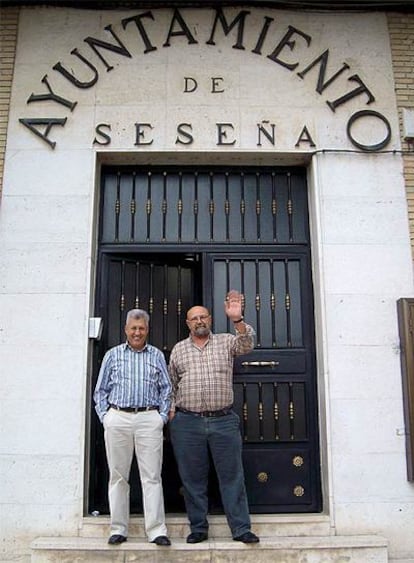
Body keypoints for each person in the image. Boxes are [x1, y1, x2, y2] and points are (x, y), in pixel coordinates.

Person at [168, 290, 259, 545]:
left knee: (232, 476)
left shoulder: (226, 341)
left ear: (210, 320)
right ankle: (198, 528)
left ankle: (241, 529)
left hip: (223, 421)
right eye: (194, 318)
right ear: (188, 324)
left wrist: (238, 319)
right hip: (187, 422)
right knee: (192, 479)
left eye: (203, 317)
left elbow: (247, 345)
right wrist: (173, 410)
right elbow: (170, 384)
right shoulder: (178, 350)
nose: (199, 321)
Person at [94, 308, 172, 547]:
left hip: (149, 418)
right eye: (133, 328)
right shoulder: (112, 355)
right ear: (126, 330)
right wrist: (106, 417)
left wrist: (161, 417)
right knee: (118, 476)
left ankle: (157, 531)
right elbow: (101, 390)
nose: (137, 332)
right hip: (118, 418)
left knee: (152, 476)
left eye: (141, 328)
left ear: (147, 330)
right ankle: (118, 529)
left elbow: (166, 389)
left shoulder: (157, 355)